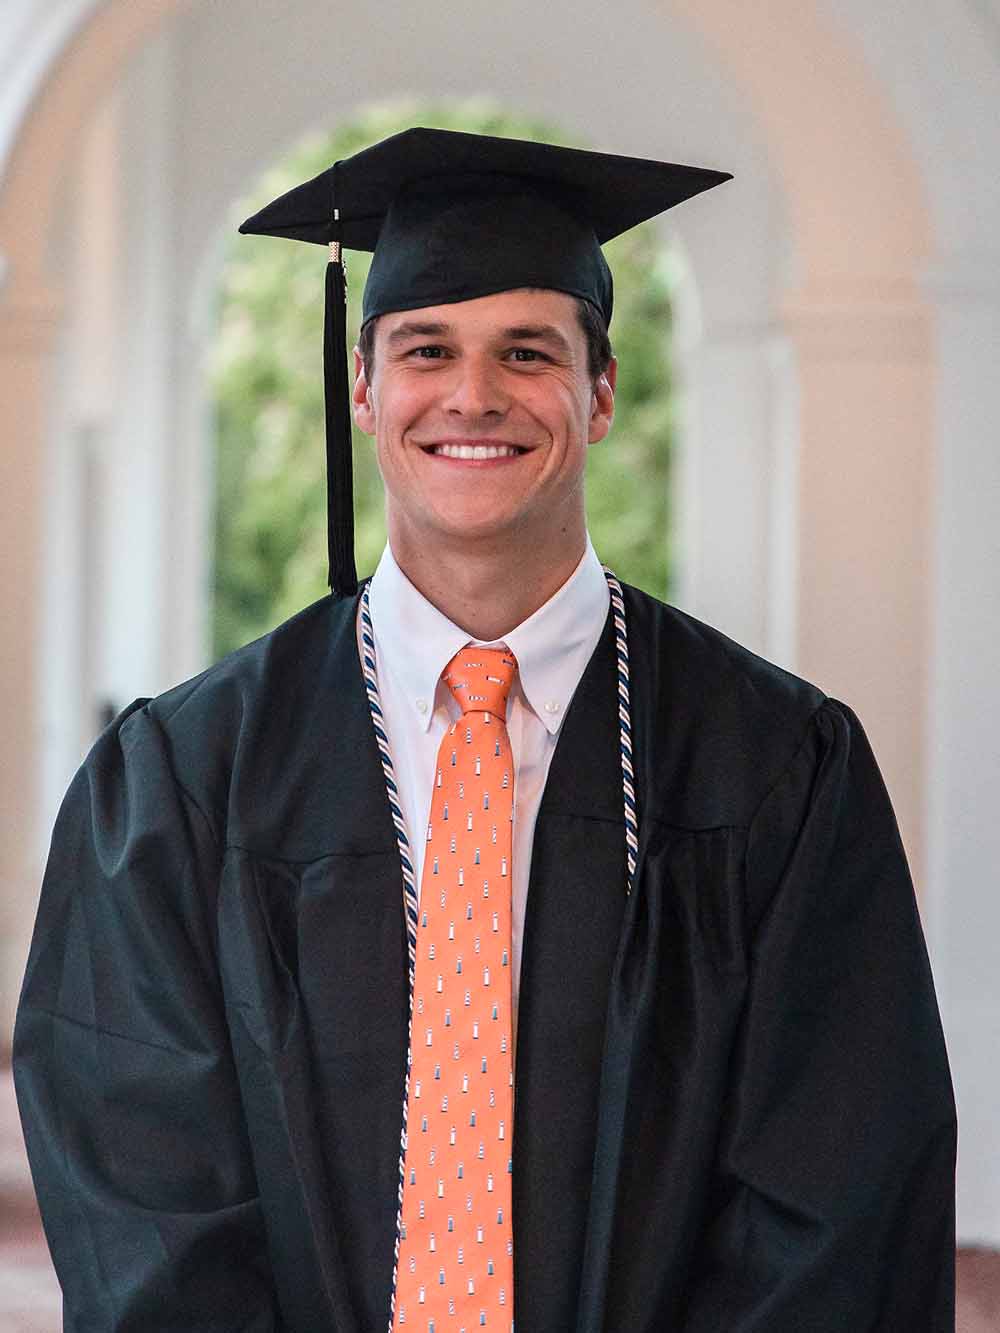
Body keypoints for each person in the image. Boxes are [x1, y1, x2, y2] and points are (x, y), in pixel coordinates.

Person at [13, 127, 956, 1331]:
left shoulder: (773, 765)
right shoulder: (185, 780)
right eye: (426, 350)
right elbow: (143, 1203)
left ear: (601, 392)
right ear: (362, 389)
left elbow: (838, 1195)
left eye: (526, 350)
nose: (472, 395)